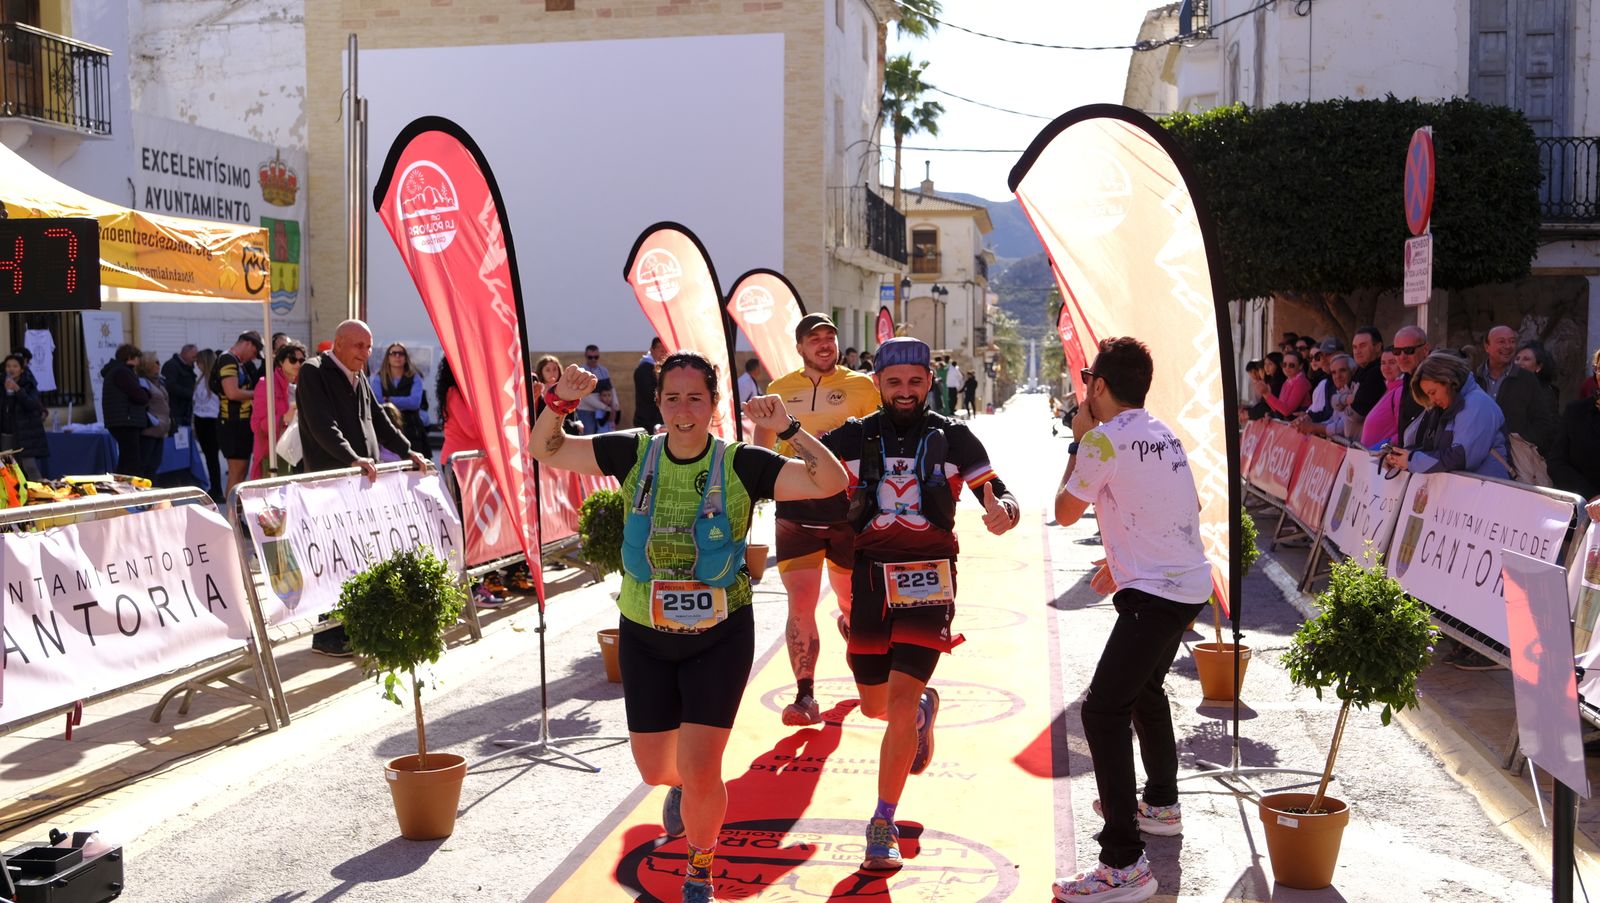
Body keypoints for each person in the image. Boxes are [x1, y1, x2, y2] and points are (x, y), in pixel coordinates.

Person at [531, 351, 847, 903]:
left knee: (702, 768)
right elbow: (545, 449)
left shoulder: (741, 463)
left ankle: (700, 871)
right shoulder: (633, 452)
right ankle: (678, 787)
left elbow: (829, 481)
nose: (683, 410)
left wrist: (788, 427)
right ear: (657, 402)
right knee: (657, 770)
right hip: (644, 633)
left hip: (720, 635)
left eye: (695, 398)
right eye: (673, 398)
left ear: (714, 403)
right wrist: (559, 404)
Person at [818, 336, 1020, 873]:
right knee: (875, 706)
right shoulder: (855, 435)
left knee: (900, 704)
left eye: (914, 381)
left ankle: (881, 823)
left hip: (930, 581)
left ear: (929, 381)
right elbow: (801, 463)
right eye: (894, 382)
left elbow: (998, 489)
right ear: (878, 384)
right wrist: (782, 430)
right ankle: (924, 711)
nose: (905, 391)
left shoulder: (954, 436)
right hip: (869, 578)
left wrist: (1005, 510)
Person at [1051, 337, 1211, 902]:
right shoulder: (1162, 431)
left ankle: (1122, 863)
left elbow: (1064, 512)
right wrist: (1122, 561)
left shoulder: (1101, 440)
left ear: (1097, 385)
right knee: (1143, 690)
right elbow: (1180, 507)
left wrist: (1078, 442)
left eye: (1086, 381)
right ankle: (1161, 804)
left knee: (1102, 711)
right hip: (1186, 585)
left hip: (1157, 595)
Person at [757, 312, 880, 726]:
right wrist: (759, 482)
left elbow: (878, 440)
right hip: (796, 510)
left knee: (850, 601)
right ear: (800, 348)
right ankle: (805, 695)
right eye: (815, 339)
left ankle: (854, 637)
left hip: (848, 511)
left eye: (830, 337)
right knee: (801, 602)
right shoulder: (779, 389)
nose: (824, 344)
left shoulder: (862, 386)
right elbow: (763, 440)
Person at [297, 320, 431, 656]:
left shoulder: (359, 374)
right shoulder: (314, 371)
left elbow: (379, 419)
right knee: (334, 557)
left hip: (359, 482)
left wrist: (407, 451)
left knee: (356, 555)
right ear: (339, 343)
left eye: (369, 347)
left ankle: (353, 625)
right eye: (359, 346)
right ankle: (327, 634)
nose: (366, 353)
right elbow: (321, 424)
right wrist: (351, 457)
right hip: (332, 480)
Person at [434, 356, 510, 607]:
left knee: (480, 529)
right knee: (468, 532)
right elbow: (472, 428)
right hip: (459, 468)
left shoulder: (472, 392)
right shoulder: (454, 392)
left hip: (475, 468)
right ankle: (472, 588)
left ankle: (481, 583)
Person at [1384, 351, 1509, 480]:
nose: (1432, 400)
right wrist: (1401, 457)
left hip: (1491, 488)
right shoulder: (1448, 407)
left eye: (1433, 392)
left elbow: (1461, 458)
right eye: (1428, 395)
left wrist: (1412, 460)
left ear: (1448, 381)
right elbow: (1433, 451)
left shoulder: (1477, 403)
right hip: (1471, 487)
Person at [1474, 325, 1557, 454]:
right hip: (1476, 455)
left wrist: (1519, 445)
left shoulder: (1527, 380)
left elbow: (1543, 423)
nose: (1508, 346)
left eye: (1512, 341)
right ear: (1487, 347)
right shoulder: (1472, 380)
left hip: (1513, 458)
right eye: (1501, 341)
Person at [214, 332, 263, 493]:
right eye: (254, 352)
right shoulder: (227, 359)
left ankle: (236, 507)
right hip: (232, 424)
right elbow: (232, 393)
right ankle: (231, 509)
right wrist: (259, 394)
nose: (254, 357)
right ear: (247, 343)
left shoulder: (238, 362)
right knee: (236, 474)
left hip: (240, 424)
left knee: (241, 474)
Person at [251, 340, 305, 479]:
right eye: (292, 360)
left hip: (296, 452)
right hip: (273, 455)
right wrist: (284, 418)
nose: (298, 364)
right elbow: (257, 425)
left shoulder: (301, 385)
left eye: (301, 360)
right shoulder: (266, 384)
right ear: (281, 362)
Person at [371, 341, 432, 456]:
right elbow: (377, 402)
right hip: (388, 431)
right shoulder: (379, 378)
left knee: (417, 462)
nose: (397, 356)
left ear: (406, 358)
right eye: (393, 353)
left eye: (401, 353)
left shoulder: (415, 377)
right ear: (388, 357)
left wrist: (389, 399)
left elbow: (414, 403)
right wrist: (403, 401)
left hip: (413, 430)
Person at [1549, 368, 1600, 499]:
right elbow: (1557, 463)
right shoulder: (1576, 411)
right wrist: (1591, 495)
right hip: (1582, 503)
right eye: (1599, 369)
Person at [101, 344, 151, 477]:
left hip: (120, 420)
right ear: (130, 357)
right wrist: (146, 393)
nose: (139, 362)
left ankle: (121, 484)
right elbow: (139, 395)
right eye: (137, 358)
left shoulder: (116, 371)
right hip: (126, 420)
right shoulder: (122, 372)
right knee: (131, 460)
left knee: (126, 457)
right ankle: (128, 486)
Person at [1, 353, 47, 479]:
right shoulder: (2, 384)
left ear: (21, 369)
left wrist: (17, 389)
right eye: (8, 366)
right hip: (6, 432)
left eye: (15, 366)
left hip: (25, 433)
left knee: (29, 466)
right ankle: (15, 490)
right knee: (8, 468)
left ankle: (39, 488)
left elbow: (31, 404)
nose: (11, 369)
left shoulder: (29, 384)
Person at [1391, 325, 1433, 440]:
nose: (1402, 357)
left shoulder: (1432, 377)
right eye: (1397, 352)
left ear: (1425, 350)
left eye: (1409, 351)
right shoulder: (1409, 375)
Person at [193, 349, 223, 500]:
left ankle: (217, 489)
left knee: (212, 456)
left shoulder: (215, 379)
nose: (196, 364)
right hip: (200, 420)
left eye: (198, 361)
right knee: (208, 456)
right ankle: (214, 487)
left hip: (211, 420)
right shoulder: (200, 378)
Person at [1360, 348, 1405, 448]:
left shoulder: (1400, 391)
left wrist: (1381, 447)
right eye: (1383, 363)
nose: (1386, 367)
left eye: (1392, 362)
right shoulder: (1389, 390)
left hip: (1382, 455)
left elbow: (1403, 432)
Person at [1346, 326, 1388, 431]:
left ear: (1378, 347)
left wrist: (1342, 400)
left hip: (1372, 438)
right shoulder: (1359, 370)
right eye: (1354, 347)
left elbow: (1356, 414)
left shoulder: (1378, 372)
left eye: (1362, 346)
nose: (1357, 351)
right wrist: (1348, 400)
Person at [138, 352, 171, 479]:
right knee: (145, 465)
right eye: (156, 362)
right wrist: (153, 420)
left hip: (160, 429)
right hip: (149, 429)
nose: (159, 365)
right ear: (148, 365)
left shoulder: (159, 381)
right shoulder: (142, 382)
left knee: (154, 465)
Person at [1252, 349, 1310, 418]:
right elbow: (1278, 410)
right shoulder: (1287, 382)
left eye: (1291, 365)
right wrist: (1265, 394)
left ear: (1300, 366)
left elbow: (1287, 411)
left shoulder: (1301, 382)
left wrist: (1266, 393)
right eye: (1284, 364)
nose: (1287, 368)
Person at [533, 355, 583, 434]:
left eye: (555, 369)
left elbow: (571, 413)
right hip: (544, 431)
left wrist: (576, 424)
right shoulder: (536, 389)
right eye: (548, 370)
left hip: (564, 430)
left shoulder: (565, 388)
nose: (552, 373)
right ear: (541, 371)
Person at [582, 344, 622, 431]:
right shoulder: (581, 371)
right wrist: (605, 407)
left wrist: (615, 405)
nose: (593, 359)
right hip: (587, 410)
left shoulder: (604, 371)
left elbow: (611, 389)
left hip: (603, 410)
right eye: (590, 357)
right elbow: (584, 396)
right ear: (585, 356)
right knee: (589, 435)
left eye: (596, 357)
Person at [633, 337, 668, 431]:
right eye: (661, 350)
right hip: (647, 421)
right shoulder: (644, 369)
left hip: (658, 419)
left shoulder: (663, 368)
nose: (664, 354)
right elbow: (649, 394)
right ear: (652, 350)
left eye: (665, 351)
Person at [162, 344, 199, 428]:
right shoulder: (171, 365)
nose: (195, 360)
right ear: (185, 353)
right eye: (193, 357)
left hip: (186, 410)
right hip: (176, 410)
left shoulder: (187, 367)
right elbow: (170, 386)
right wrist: (191, 393)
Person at [1515, 340, 1559, 405]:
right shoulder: (1508, 386)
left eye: (1526, 359)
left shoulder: (1545, 395)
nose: (1518, 363)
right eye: (1517, 359)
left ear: (1538, 366)